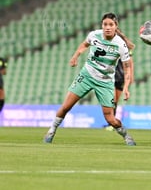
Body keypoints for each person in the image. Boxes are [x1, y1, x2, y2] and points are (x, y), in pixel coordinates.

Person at [43, 12, 136, 146]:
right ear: (102, 25)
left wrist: (126, 87)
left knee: (111, 119)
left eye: (111, 24)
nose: (107, 27)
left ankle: (126, 135)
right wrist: (76, 56)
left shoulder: (121, 45)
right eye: (105, 24)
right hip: (86, 76)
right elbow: (84, 45)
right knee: (66, 106)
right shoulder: (94, 35)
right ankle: (51, 131)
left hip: (105, 82)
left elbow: (127, 67)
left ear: (116, 26)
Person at [104, 28, 135, 131]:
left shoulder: (123, 45)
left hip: (120, 76)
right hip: (110, 74)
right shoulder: (108, 44)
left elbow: (130, 61)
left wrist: (131, 76)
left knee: (115, 100)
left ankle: (111, 124)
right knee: (111, 99)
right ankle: (111, 122)